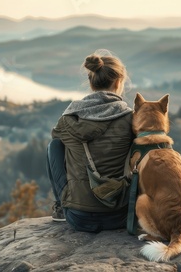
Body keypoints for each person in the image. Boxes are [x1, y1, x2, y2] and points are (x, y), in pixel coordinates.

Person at [46, 49, 134, 233]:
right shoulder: (131, 119)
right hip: (120, 215)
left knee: (54, 146)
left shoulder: (69, 119)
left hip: (79, 218)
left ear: (90, 81)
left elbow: (58, 141)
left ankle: (61, 209)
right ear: (119, 82)